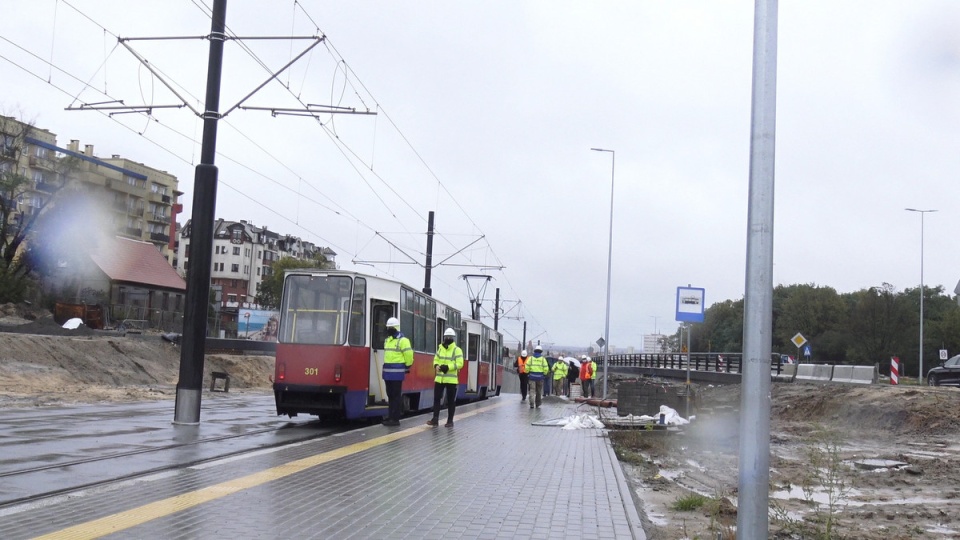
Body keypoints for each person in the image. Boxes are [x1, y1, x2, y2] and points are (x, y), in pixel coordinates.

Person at [427, 328, 464, 427]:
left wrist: (448, 367)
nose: (448, 338)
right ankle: (435, 419)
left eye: (450, 337)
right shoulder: (440, 348)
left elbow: (460, 364)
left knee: (451, 401)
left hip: (451, 380)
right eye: (446, 337)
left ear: (453, 338)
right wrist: (436, 365)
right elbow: (436, 359)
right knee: (436, 399)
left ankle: (450, 421)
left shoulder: (457, 350)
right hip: (439, 378)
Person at [381, 317, 413, 427]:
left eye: (390, 327)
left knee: (395, 396)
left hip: (397, 374)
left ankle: (395, 419)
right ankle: (390, 417)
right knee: (390, 395)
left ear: (396, 328)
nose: (389, 329)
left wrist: (407, 365)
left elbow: (409, 355)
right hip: (387, 374)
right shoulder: (387, 340)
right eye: (388, 328)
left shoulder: (403, 341)